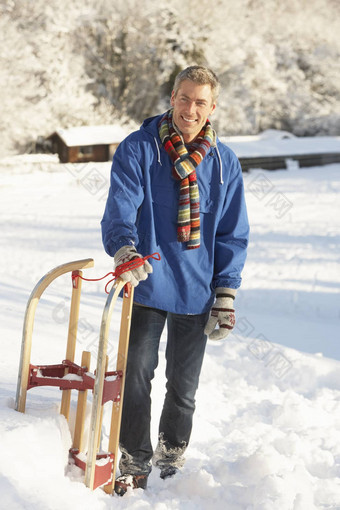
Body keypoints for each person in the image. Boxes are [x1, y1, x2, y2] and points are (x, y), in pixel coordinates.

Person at [101, 65, 249, 495]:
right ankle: (133, 457)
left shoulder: (224, 162)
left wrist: (226, 292)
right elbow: (121, 206)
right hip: (144, 283)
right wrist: (125, 250)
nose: (190, 108)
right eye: (184, 98)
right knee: (135, 378)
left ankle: (170, 458)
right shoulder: (140, 147)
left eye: (200, 101)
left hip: (197, 290)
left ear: (212, 107)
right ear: (172, 97)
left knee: (183, 388)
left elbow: (232, 232)